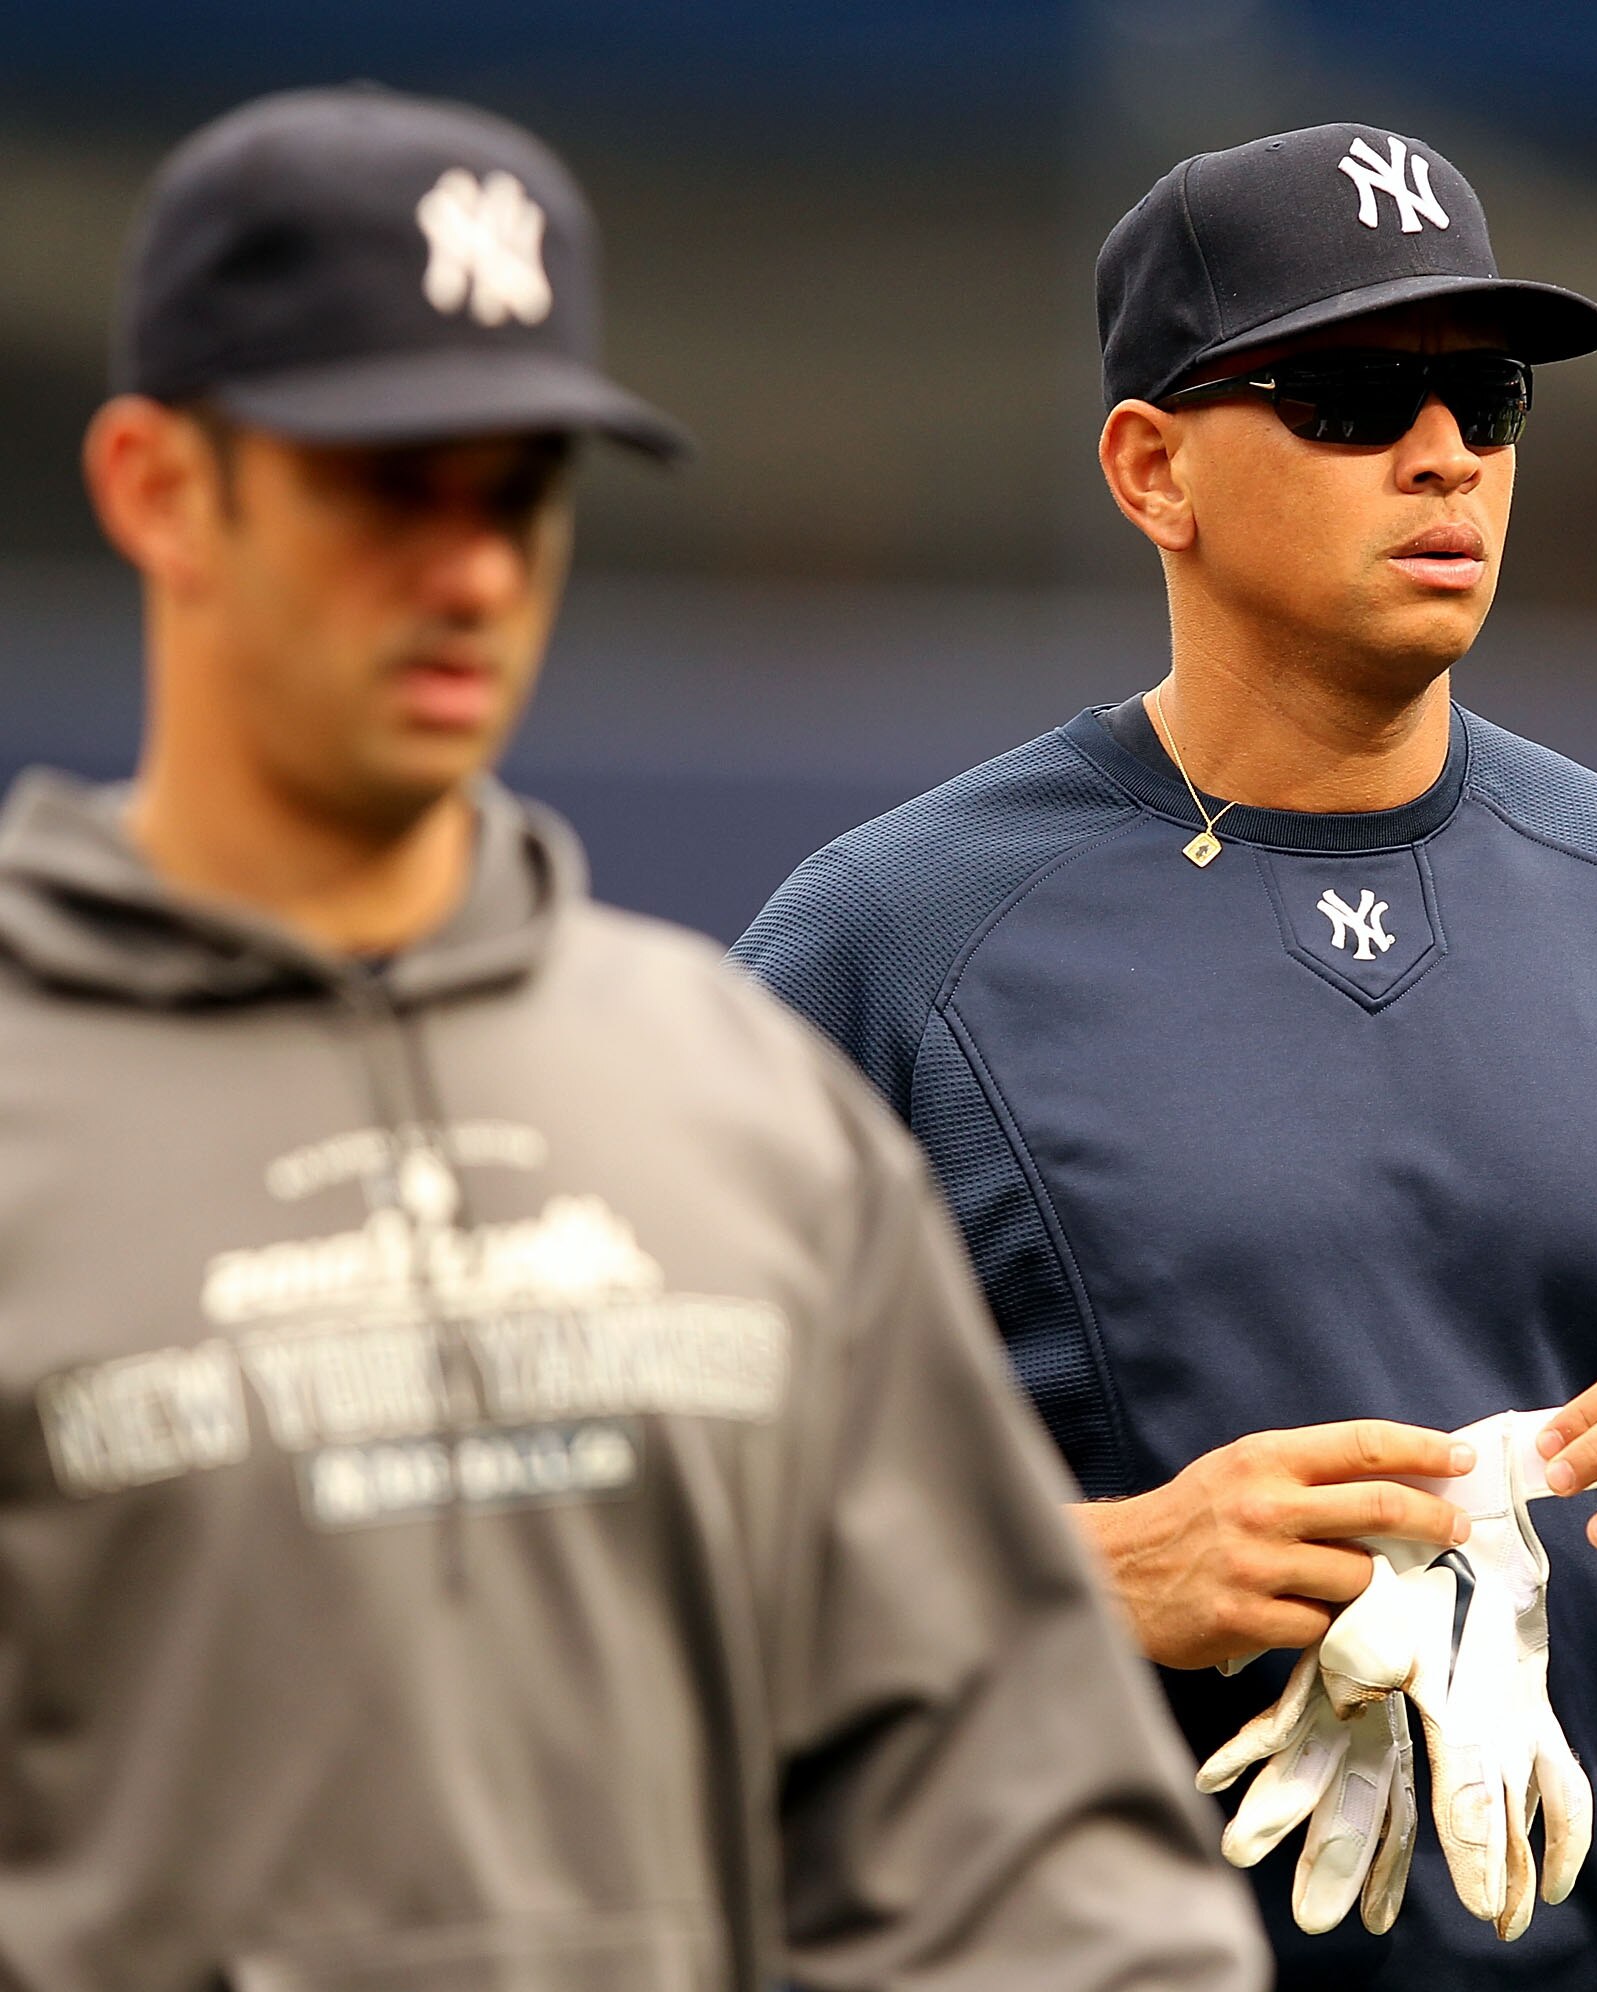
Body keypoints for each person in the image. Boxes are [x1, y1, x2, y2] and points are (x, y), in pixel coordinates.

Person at [2, 85, 1262, 1991]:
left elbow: (1019, 1839)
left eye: (518, 487)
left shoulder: (736, 1108)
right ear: (159, 487)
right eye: (384, 481)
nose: (474, 568)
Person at [737, 124, 1597, 1990]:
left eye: (1485, 400)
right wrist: (1092, 1574)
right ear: (1151, 469)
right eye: (1353, 398)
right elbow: (627, 1538)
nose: (1445, 457)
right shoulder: (901, 937)